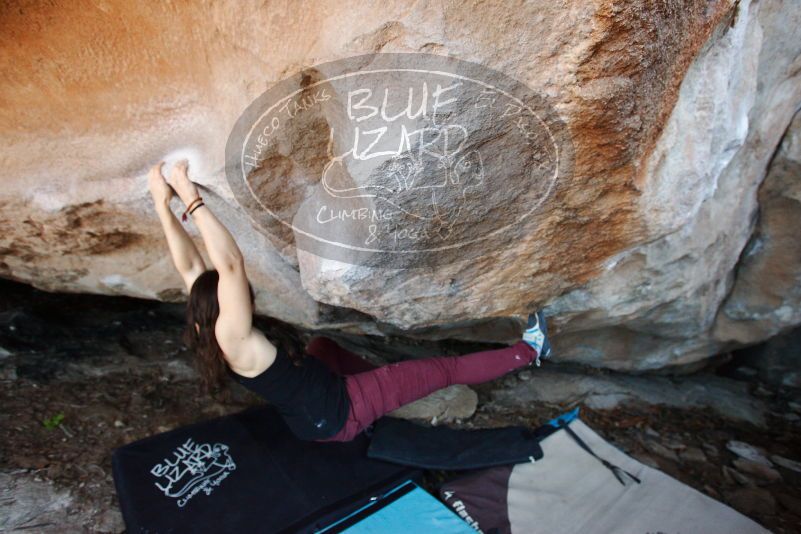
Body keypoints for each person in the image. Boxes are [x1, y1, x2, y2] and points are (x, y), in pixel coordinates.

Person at [148, 159, 552, 443]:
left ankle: (392, 383)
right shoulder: (232, 335)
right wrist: (191, 197)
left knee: (324, 347)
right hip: (341, 413)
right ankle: (529, 351)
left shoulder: (205, 321)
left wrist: (161, 205)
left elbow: (190, 267)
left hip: (312, 414)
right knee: (445, 370)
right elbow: (231, 264)